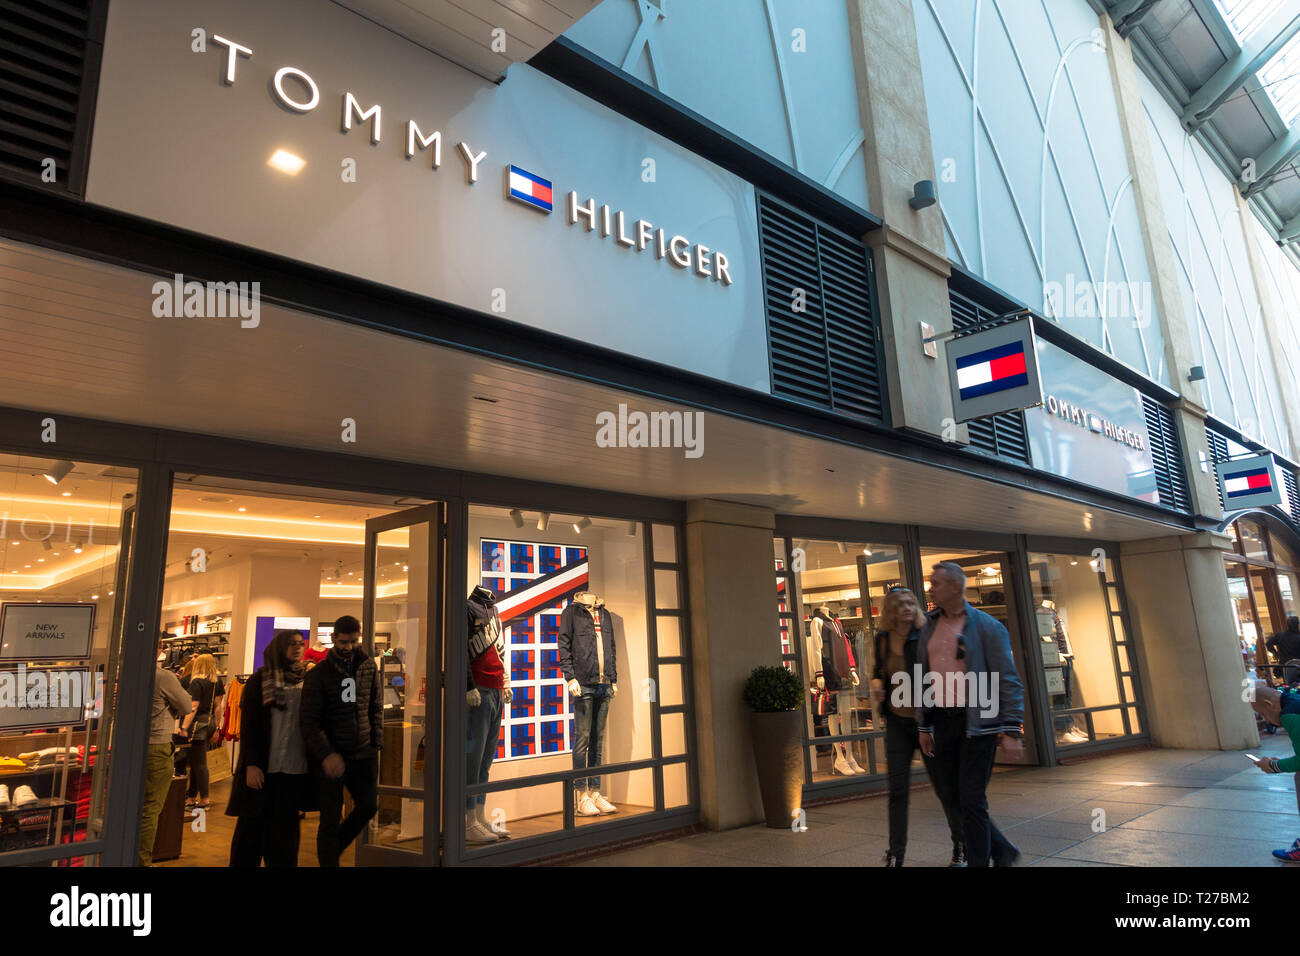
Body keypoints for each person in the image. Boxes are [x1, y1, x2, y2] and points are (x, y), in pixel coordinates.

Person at [917, 562, 1025, 868]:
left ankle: (981, 861)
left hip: (978, 721)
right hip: (942, 720)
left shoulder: (988, 627)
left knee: (972, 798)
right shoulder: (927, 625)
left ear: (954, 587)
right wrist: (924, 725)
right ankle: (1002, 849)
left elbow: (1008, 679)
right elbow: (922, 675)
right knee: (951, 796)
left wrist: (1011, 730)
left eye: (935, 583)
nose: (931, 588)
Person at [871, 586, 965, 867]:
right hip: (897, 722)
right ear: (890, 610)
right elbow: (878, 671)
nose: (906, 608)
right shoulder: (883, 639)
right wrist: (876, 683)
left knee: (944, 787)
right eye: (900, 604)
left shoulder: (927, 635)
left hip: (929, 723)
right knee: (897, 791)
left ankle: (960, 847)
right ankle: (896, 853)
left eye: (910, 602)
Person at [228, 630, 316, 866]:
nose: (297, 648)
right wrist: (251, 764)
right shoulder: (261, 679)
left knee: (285, 837)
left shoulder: (307, 679)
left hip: (294, 766)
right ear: (280, 646)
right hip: (265, 766)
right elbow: (250, 725)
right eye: (291, 644)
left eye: (300, 644)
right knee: (250, 833)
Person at [301, 616, 382, 866]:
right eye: (343, 641)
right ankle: (329, 860)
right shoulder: (320, 673)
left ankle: (331, 851)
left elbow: (375, 705)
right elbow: (308, 720)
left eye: (353, 641)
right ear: (334, 639)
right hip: (332, 755)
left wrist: (375, 741)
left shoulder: (368, 666)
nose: (348, 647)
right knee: (330, 817)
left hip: (363, 752)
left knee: (368, 806)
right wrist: (326, 754)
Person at [140, 633, 191, 866]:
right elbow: (186, 705)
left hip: (130, 746)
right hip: (157, 746)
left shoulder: (128, 673)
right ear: (159, 647)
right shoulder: (163, 677)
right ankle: (141, 861)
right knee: (150, 809)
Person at [1247, 680, 1300, 862]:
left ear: (1269, 704)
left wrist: (1272, 766)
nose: (1267, 720)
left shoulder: (1290, 714)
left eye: (1263, 713)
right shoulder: (1294, 700)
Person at [180, 653, 225, 810]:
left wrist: (184, 727)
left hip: (197, 725)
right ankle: (192, 797)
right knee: (195, 762)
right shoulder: (217, 682)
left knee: (199, 764)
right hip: (210, 723)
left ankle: (204, 799)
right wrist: (217, 727)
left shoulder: (197, 682)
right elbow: (219, 706)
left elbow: (193, 707)